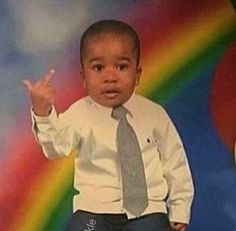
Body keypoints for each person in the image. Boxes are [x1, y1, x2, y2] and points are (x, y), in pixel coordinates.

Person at [23, 19, 194, 231]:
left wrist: (180, 208)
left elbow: (175, 162)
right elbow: (56, 147)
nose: (110, 77)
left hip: (147, 211)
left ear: (137, 74)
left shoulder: (154, 114)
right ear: (84, 78)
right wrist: (43, 112)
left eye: (122, 67)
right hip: (95, 212)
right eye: (98, 67)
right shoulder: (80, 113)